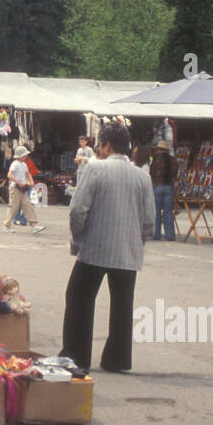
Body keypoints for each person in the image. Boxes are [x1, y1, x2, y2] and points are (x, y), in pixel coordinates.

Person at [60, 124, 154, 372]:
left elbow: (77, 210)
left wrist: (77, 238)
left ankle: (76, 355)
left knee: (79, 297)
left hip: (95, 247)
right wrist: (138, 243)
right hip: (128, 251)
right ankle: (117, 358)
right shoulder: (143, 176)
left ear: (107, 145)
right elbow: (149, 220)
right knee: (122, 304)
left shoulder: (95, 168)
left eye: (100, 145)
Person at [3, 144, 45, 234]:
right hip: (15, 187)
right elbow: (9, 175)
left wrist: (31, 181)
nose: (26, 156)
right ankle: (7, 225)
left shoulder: (24, 164)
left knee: (28, 206)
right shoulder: (15, 164)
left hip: (23, 187)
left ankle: (33, 225)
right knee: (13, 207)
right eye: (25, 155)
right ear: (21, 155)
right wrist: (19, 182)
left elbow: (28, 174)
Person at [150, 142, 176, 241]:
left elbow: (151, 172)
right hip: (169, 186)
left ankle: (156, 234)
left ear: (159, 149)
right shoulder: (173, 160)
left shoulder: (156, 160)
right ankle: (170, 235)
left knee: (156, 211)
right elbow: (176, 172)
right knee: (168, 211)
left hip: (157, 186)